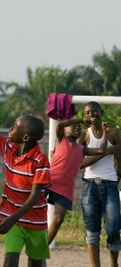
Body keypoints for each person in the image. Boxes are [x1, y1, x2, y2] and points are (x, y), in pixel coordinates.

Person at [0, 94, 51, 267]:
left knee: (35, 263)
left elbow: (35, 196)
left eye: (15, 127)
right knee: (9, 262)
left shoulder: (40, 160)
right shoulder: (8, 148)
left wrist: (11, 219)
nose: (10, 129)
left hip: (35, 221)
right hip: (13, 219)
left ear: (26, 137)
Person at [46, 117, 109, 246]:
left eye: (79, 127)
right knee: (33, 209)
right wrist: (80, 120)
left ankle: (42, 249)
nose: (77, 128)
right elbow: (60, 125)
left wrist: (105, 133)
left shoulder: (81, 149)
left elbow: (102, 150)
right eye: (73, 126)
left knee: (58, 220)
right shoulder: (60, 139)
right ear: (65, 131)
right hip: (49, 181)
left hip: (65, 189)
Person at [77, 101, 121, 267]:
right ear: (85, 116)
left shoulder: (113, 133)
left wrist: (119, 176)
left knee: (113, 228)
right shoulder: (84, 136)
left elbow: (120, 153)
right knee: (92, 230)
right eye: (87, 113)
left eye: (94, 111)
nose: (91, 115)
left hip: (110, 184)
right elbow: (80, 164)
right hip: (90, 186)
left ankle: (114, 263)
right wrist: (107, 151)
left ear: (101, 111)